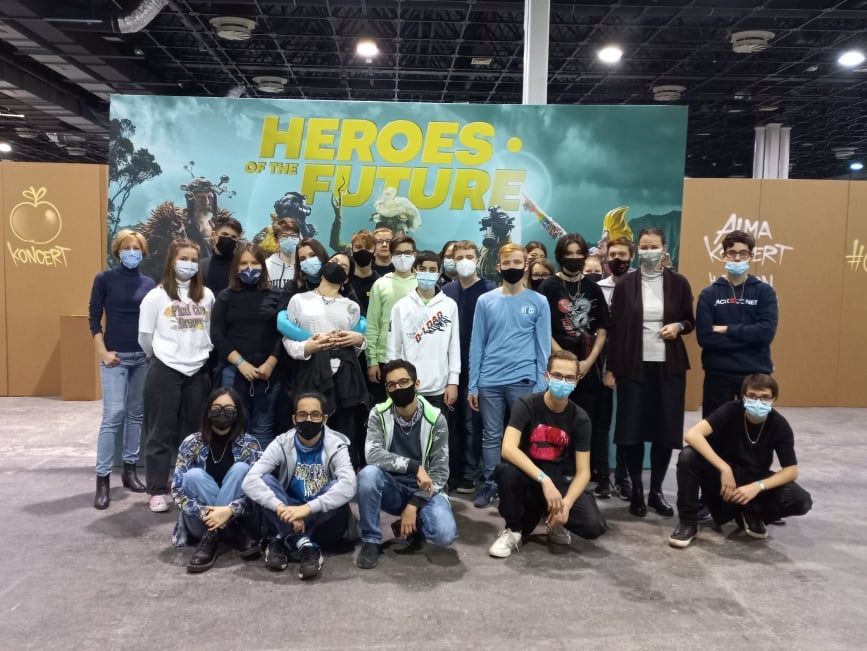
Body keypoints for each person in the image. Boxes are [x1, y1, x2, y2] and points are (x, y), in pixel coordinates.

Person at [605, 228, 694, 518]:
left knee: (664, 431)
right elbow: (616, 330)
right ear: (637, 250)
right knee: (631, 431)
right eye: (643, 247)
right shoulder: (625, 284)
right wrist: (611, 368)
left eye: (654, 246)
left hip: (669, 369)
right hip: (633, 368)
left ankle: (656, 491)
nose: (648, 251)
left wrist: (678, 326)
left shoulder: (679, 283)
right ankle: (636, 491)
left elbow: (689, 321)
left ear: (664, 249)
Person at [668, 374, 812, 548]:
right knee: (688, 456)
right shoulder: (731, 410)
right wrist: (724, 468)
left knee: (801, 500)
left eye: (765, 397)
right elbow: (693, 435)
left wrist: (757, 486)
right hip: (721, 478)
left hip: (754, 477)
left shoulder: (779, 425)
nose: (758, 402)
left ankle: (752, 513)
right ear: (744, 397)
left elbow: (791, 470)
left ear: (774, 400)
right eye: (752, 396)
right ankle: (688, 523)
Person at [489, 351, 608, 557]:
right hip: (529, 478)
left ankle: (555, 521)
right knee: (506, 473)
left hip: (560, 481)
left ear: (577, 381)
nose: (563, 382)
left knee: (593, 525)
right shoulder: (526, 405)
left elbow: (584, 472)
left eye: (569, 378)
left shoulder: (581, 419)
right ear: (547, 376)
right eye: (557, 375)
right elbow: (508, 448)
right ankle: (514, 530)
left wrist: (567, 504)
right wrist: (544, 479)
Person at [469, 243, 552, 508]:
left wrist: (541, 383)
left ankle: (521, 483)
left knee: (523, 435)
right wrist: (473, 384)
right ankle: (491, 483)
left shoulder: (539, 302)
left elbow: (543, 347)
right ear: (499, 266)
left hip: (524, 380)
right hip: (489, 381)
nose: (512, 267)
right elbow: (477, 343)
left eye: (518, 262)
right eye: (507, 263)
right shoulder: (485, 301)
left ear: (526, 265)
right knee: (491, 435)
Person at [242, 392, 358, 580]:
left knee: (337, 485)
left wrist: (306, 509)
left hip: (321, 519)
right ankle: (306, 546)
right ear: (294, 419)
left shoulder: (337, 444)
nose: (309, 419)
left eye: (315, 415)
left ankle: (281, 539)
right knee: (265, 480)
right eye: (302, 415)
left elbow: (349, 485)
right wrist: (281, 507)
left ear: (325, 419)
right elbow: (250, 480)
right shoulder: (282, 443)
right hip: (287, 513)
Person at [355, 360, 457, 569]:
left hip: (427, 491)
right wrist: (414, 466)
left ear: (416, 383)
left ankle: (416, 522)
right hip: (393, 487)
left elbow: (439, 473)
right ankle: (370, 541)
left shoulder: (436, 420)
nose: (398, 388)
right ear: (387, 390)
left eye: (403, 382)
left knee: (444, 534)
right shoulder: (378, 414)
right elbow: (372, 455)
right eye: (392, 385)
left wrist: (414, 503)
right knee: (368, 475)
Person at [139, 239, 215, 513]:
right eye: (183, 258)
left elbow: (208, 330)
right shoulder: (155, 296)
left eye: (194, 260)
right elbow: (145, 336)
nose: (189, 264)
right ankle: (157, 490)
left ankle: (188, 487)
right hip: (165, 370)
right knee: (159, 432)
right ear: (172, 261)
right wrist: (160, 355)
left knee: (194, 435)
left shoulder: (207, 296)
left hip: (197, 372)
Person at [281, 250, 369, 469]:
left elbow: (355, 348)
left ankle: (345, 474)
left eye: (343, 266)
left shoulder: (351, 306)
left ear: (347, 278)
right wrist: (306, 347)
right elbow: (287, 340)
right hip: (311, 371)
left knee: (346, 428)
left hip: (346, 376)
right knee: (310, 422)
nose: (337, 266)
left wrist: (359, 341)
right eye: (334, 261)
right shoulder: (299, 300)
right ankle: (307, 473)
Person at [538, 233, 610, 496]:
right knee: (556, 418)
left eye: (579, 253)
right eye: (569, 253)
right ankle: (557, 472)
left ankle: (583, 474)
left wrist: (589, 362)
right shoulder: (548, 287)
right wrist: (565, 360)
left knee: (585, 421)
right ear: (560, 255)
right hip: (558, 366)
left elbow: (602, 329)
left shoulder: (593, 288)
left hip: (588, 368)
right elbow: (543, 328)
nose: (574, 258)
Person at [88, 229, 155, 509]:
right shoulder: (104, 279)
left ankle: (129, 471)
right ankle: (102, 479)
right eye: (127, 247)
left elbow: (153, 320)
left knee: (135, 415)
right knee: (112, 415)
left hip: (142, 358)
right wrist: (102, 352)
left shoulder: (149, 283)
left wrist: (150, 351)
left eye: (137, 248)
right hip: (114, 358)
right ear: (118, 252)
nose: (132, 252)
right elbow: (94, 318)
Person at [170, 388, 262, 572]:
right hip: (202, 522)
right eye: (217, 408)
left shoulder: (250, 444)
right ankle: (219, 530)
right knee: (193, 476)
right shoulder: (191, 443)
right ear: (208, 412)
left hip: (241, 519)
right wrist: (207, 513)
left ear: (237, 413)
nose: (222, 413)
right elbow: (177, 490)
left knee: (241, 469)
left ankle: (212, 537)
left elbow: (260, 490)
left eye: (229, 409)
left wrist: (229, 511)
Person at [696, 229, 779, 419]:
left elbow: (766, 333)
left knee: (753, 429)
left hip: (755, 376)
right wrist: (750, 337)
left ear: (751, 256)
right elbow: (705, 338)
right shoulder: (709, 294)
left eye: (743, 253)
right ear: (723, 256)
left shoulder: (764, 292)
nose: (737, 258)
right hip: (718, 374)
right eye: (732, 253)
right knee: (715, 429)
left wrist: (727, 329)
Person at [210, 242, 281, 449]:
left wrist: (270, 364)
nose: (249, 267)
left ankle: (261, 469)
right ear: (236, 267)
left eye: (254, 263)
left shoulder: (276, 295)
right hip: (233, 370)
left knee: (263, 428)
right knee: (233, 426)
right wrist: (241, 363)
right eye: (243, 263)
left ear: (263, 266)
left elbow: (281, 335)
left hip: (268, 373)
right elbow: (217, 335)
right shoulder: (225, 296)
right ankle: (235, 468)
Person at [442, 241, 496, 494]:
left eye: (469, 256)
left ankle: (471, 472)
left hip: (479, 368)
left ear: (477, 259)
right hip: (449, 368)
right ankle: (451, 470)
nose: (464, 261)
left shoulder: (489, 291)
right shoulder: (446, 291)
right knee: (450, 424)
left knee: (473, 424)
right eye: (459, 257)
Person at [386, 250, 460, 411]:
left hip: (440, 388)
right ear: (414, 271)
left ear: (439, 273)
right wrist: (393, 382)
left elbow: (454, 347)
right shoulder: (401, 307)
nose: (427, 273)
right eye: (423, 269)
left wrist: (453, 382)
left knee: (439, 428)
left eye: (432, 270)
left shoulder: (449, 305)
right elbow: (393, 349)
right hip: (407, 388)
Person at [597, 237, 635, 501]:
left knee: (627, 422)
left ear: (631, 257)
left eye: (622, 254)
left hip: (632, 362)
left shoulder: (639, 285)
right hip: (602, 361)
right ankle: (602, 476)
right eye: (613, 255)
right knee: (602, 422)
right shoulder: (599, 288)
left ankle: (623, 477)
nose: (617, 259)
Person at [365, 234, 418, 390]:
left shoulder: (423, 283)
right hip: (384, 357)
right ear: (391, 255)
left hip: (417, 355)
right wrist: (372, 360)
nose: (403, 257)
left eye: (407, 253)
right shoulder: (381, 284)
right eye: (398, 253)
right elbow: (372, 324)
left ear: (414, 255)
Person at [200, 216, 243, 294]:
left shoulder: (241, 267)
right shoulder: (201, 267)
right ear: (213, 235)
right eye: (224, 234)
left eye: (233, 237)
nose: (228, 239)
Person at [348, 229, 380, 316]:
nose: (363, 251)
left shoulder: (380, 283)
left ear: (375, 251)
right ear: (351, 250)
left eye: (368, 248)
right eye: (358, 247)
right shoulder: (344, 282)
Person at [265, 217, 300, 291]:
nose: (289, 239)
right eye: (284, 236)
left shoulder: (304, 265)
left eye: (293, 235)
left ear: (298, 239)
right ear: (276, 240)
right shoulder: (267, 265)